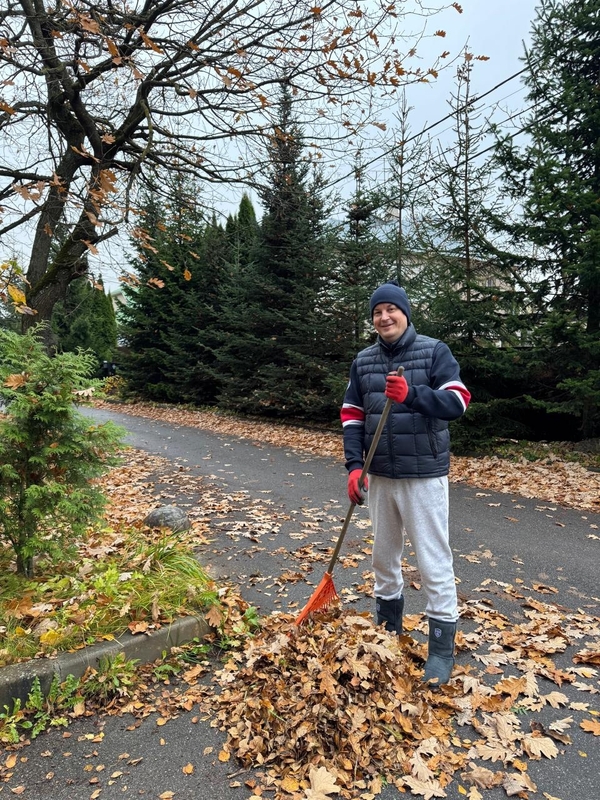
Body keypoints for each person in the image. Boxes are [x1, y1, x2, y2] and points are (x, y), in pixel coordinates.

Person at [340, 280, 471, 686]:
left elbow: (457, 402)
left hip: (423, 477)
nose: (384, 317)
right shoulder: (364, 361)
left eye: (391, 310)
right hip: (380, 475)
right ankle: (388, 634)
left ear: (405, 313)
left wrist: (413, 394)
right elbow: (352, 414)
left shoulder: (434, 351)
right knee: (383, 559)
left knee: (432, 562)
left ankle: (440, 651)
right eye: (377, 312)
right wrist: (354, 466)